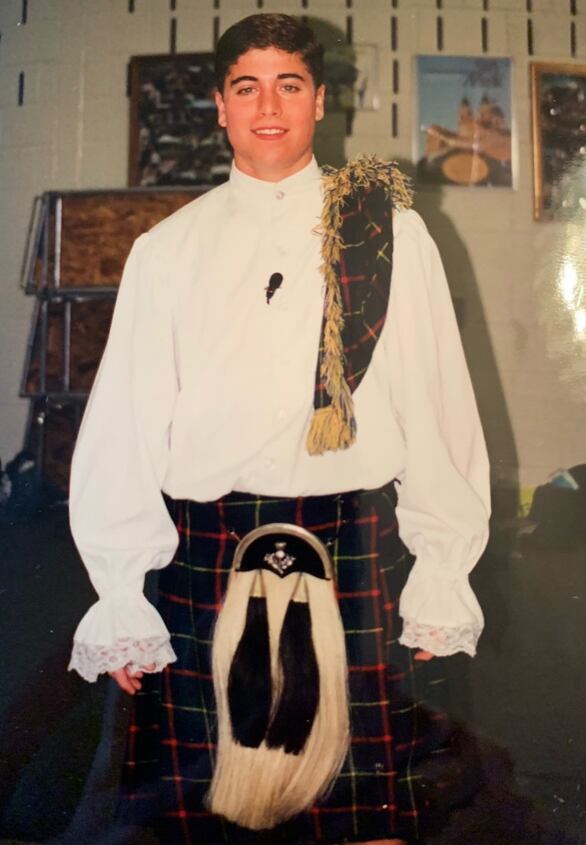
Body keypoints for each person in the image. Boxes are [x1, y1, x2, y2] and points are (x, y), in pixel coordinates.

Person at [68, 13, 490, 845]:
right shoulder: (167, 249)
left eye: (289, 84)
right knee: (201, 819)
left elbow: (439, 402)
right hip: (205, 556)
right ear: (221, 105)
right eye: (247, 86)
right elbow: (125, 423)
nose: (269, 105)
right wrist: (120, 593)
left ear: (320, 101)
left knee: (364, 817)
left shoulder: (386, 232)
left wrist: (442, 566)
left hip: (353, 545)